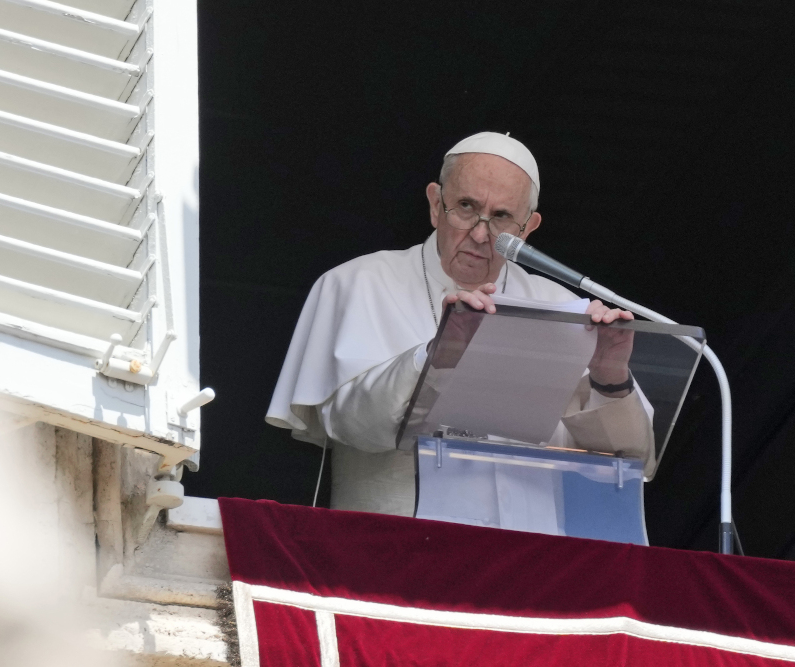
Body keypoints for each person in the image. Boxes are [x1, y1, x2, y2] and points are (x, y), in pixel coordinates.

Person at [266, 132, 654, 527]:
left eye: (502, 217)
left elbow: (626, 463)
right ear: (436, 204)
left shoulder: (561, 308)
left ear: (527, 229)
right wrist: (435, 359)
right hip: (396, 552)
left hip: (529, 560)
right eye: (466, 207)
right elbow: (351, 425)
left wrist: (610, 382)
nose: (482, 234)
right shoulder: (356, 283)